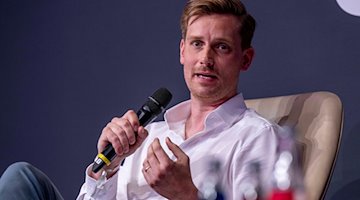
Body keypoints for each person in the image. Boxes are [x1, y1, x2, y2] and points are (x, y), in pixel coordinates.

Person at [0, 0, 280, 199]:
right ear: (183, 51)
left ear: (245, 59)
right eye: (197, 44)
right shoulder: (149, 133)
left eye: (221, 47)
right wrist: (107, 169)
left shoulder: (256, 137)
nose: (205, 59)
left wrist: (188, 195)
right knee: (21, 177)